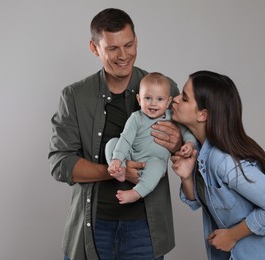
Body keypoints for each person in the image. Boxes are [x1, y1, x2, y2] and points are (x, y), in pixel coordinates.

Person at [48, 8, 183, 260]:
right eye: (112, 48)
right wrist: (114, 170)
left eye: (129, 45)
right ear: (94, 47)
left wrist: (178, 143)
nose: (123, 56)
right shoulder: (74, 96)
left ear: (136, 41)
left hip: (146, 229)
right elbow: (60, 163)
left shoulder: (166, 89)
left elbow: (195, 142)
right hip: (93, 226)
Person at [170, 70, 265, 259]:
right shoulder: (198, 150)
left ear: (203, 114)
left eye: (185, 98)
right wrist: (186, 178)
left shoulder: (223, 161)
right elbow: (197, 201)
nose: (176, 99)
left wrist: (231, 236)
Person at [105, 72, 196, 204]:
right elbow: (125, 139)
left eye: (160, 99)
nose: (153, 104)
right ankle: (118, 170)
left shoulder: (172, 117)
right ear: (139, 99)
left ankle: (137, 192)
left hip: (153, 160)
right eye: (148, 98)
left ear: (168, 101)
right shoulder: (136, 118)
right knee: (112, 143)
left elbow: (187, 131)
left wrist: (190, 143)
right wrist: (117, 159)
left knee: (159, 167)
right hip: (131, 155)